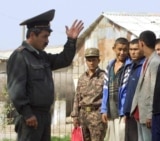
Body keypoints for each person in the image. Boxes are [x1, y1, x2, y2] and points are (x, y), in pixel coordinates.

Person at [6, 9, 84, 141]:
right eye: (44, 37)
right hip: (30, 117)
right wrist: (27, 113)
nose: (47, 41)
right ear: (32, 35)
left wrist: (71, 41)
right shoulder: (20, 56)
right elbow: (16, 90)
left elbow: (64, 59)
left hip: (44, 116)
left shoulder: (41, 56)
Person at [130, 30, 160, 141]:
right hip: (141, 112)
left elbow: (154, 91)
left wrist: (150, 114)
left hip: (147, 114)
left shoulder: (155, 62)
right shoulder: (147, 60)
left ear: (141, 43)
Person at [71, 48, 107, 141]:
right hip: (83, 116)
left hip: (97, 116)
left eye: (94, 60)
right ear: (86, 61)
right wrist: (75, 116)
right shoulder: (82, 78)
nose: (91, 63)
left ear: (98, 60)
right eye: (89, 60)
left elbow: (107, 96)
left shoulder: (104, 76)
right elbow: (77, 97)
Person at [101, 37, 130, 141]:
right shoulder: (109, 66)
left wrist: (126, 112)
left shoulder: (129, 66)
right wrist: (104, 109)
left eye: (125, 50)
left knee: (121, 138)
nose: (122, 52)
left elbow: (128, 91)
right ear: (114, 49)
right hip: (110, 111)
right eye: (119, 49)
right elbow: (105, 89)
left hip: (122, 112)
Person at [123, 39, 145, 141]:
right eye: (131, 49)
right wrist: (126, 112)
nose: (133, 52)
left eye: (135, 49)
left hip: (139, 113)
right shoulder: (131, 66)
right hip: (129, 113)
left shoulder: (144, 66)